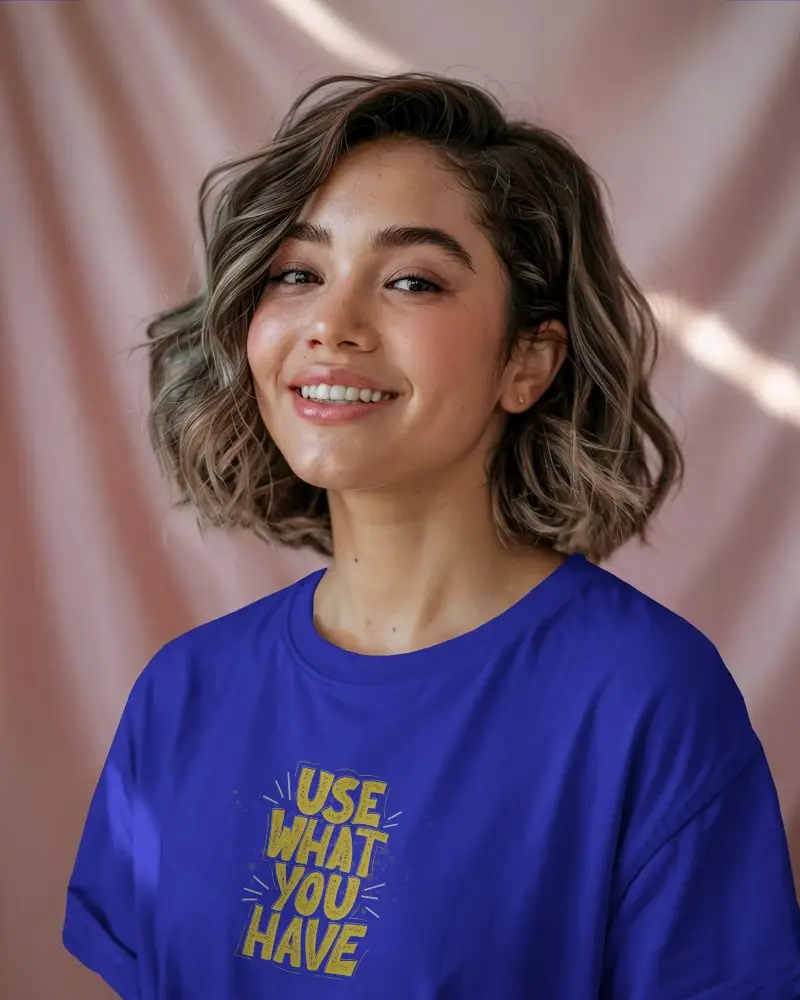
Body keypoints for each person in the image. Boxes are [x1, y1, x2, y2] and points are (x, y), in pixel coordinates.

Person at [63, 72, 800, 999]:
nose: (332, 326)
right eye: (297, 273)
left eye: (412, 280)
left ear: (528, 360)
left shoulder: (647, 701)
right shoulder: (182, 693)